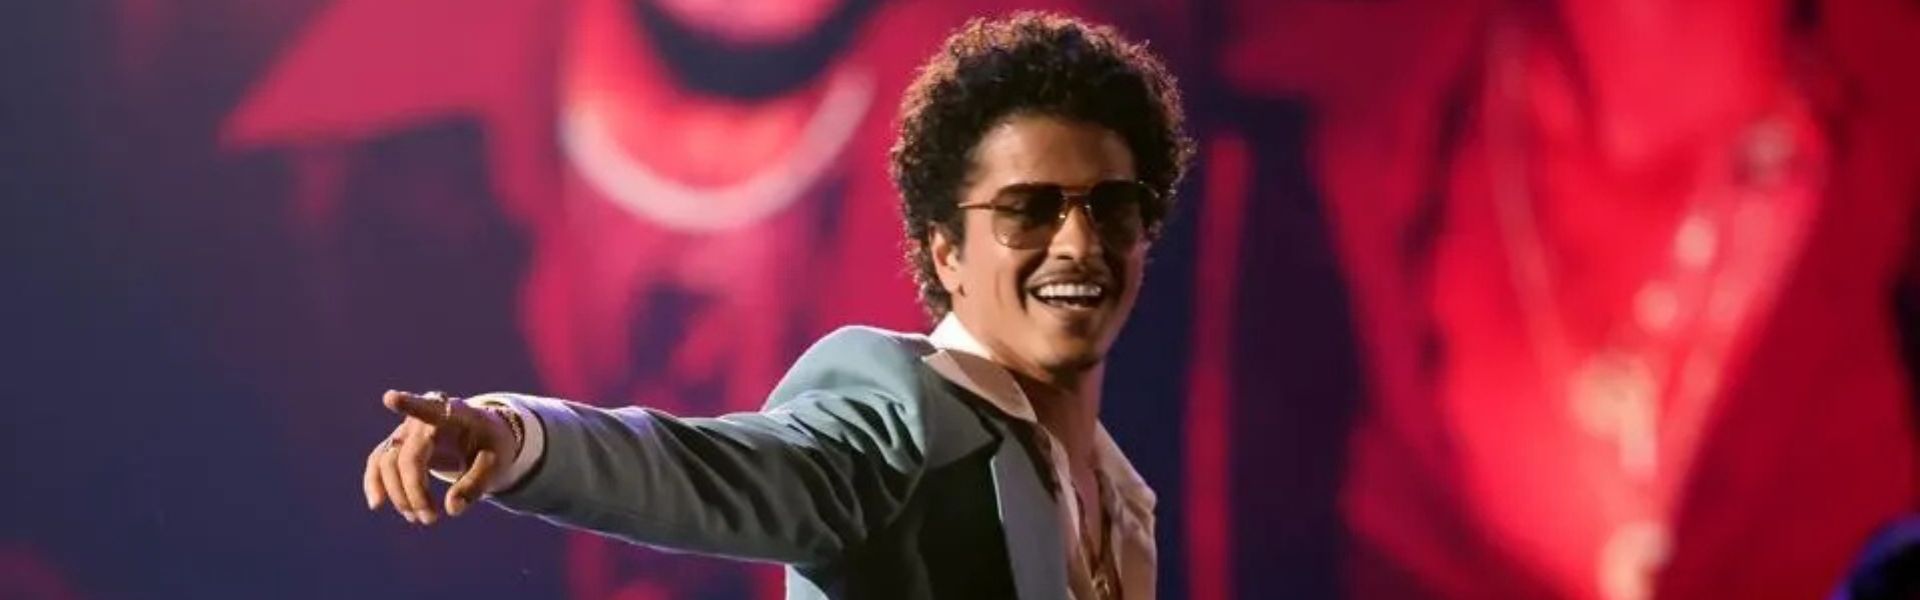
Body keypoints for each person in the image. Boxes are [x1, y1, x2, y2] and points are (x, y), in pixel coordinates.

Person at [359, 12, 1193, 600]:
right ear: (947, 250)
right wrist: (518, 437)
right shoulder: (901, 412)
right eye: (1028, 210)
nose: (1078, 242)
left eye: (1111, 207)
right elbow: (716, 471)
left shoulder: (1124, 499)